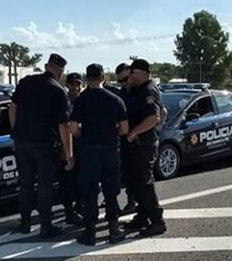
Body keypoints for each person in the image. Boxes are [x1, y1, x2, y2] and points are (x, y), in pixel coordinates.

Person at [9, 53, 73, 238]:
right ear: (59, 70)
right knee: (44, 185)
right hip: (44, 145)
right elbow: (63, 125)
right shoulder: (57, 90)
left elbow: (12, 107)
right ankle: (46, 226)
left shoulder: (26, 82)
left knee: (25, 184)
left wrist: (15, 132)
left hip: (22, 142)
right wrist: (69, 153)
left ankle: (25, 223)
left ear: (46, 66)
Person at [69, 63, 128, 246]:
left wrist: (84, 136)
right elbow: (124, 129)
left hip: (88, 150)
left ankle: (90, 233)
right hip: (110, 149)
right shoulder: (115, 99)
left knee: (90, 192)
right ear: (104, 78)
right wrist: (111, 134)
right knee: (111, 191)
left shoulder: (80, 100)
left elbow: (73, 128)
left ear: (87, 79)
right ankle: (113, 230)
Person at [123, 58, 166, 237]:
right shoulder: (136, 90)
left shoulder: (148, 90)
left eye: (132, 73)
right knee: (135, 182)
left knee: (144, 182)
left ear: (142, 73)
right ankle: (142, 216)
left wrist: (133, 133)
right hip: (136, 145)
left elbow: (153, 118)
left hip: (144, 143)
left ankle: (157, 221)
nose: (129, 76)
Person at [109, 63, 138, 215]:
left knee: (140, 175)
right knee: (127, 172)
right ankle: (131, 201)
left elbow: (160, 115)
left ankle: (142, 206)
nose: (124, 83)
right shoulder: (121, 94)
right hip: (124, 139)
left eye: (125, 79)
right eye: (120, 81)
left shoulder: (142, 91)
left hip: (140, 139)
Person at [61, 72, 84, 225]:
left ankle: (80, 206)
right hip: (67, 144)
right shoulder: (63, 101)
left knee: (82, 178)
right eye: (72, 84)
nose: (75, 87)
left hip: (82, 144)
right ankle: (69, 211)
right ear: (68, 85)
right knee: (67, 180)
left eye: (78, 84)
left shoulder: (84, 100)